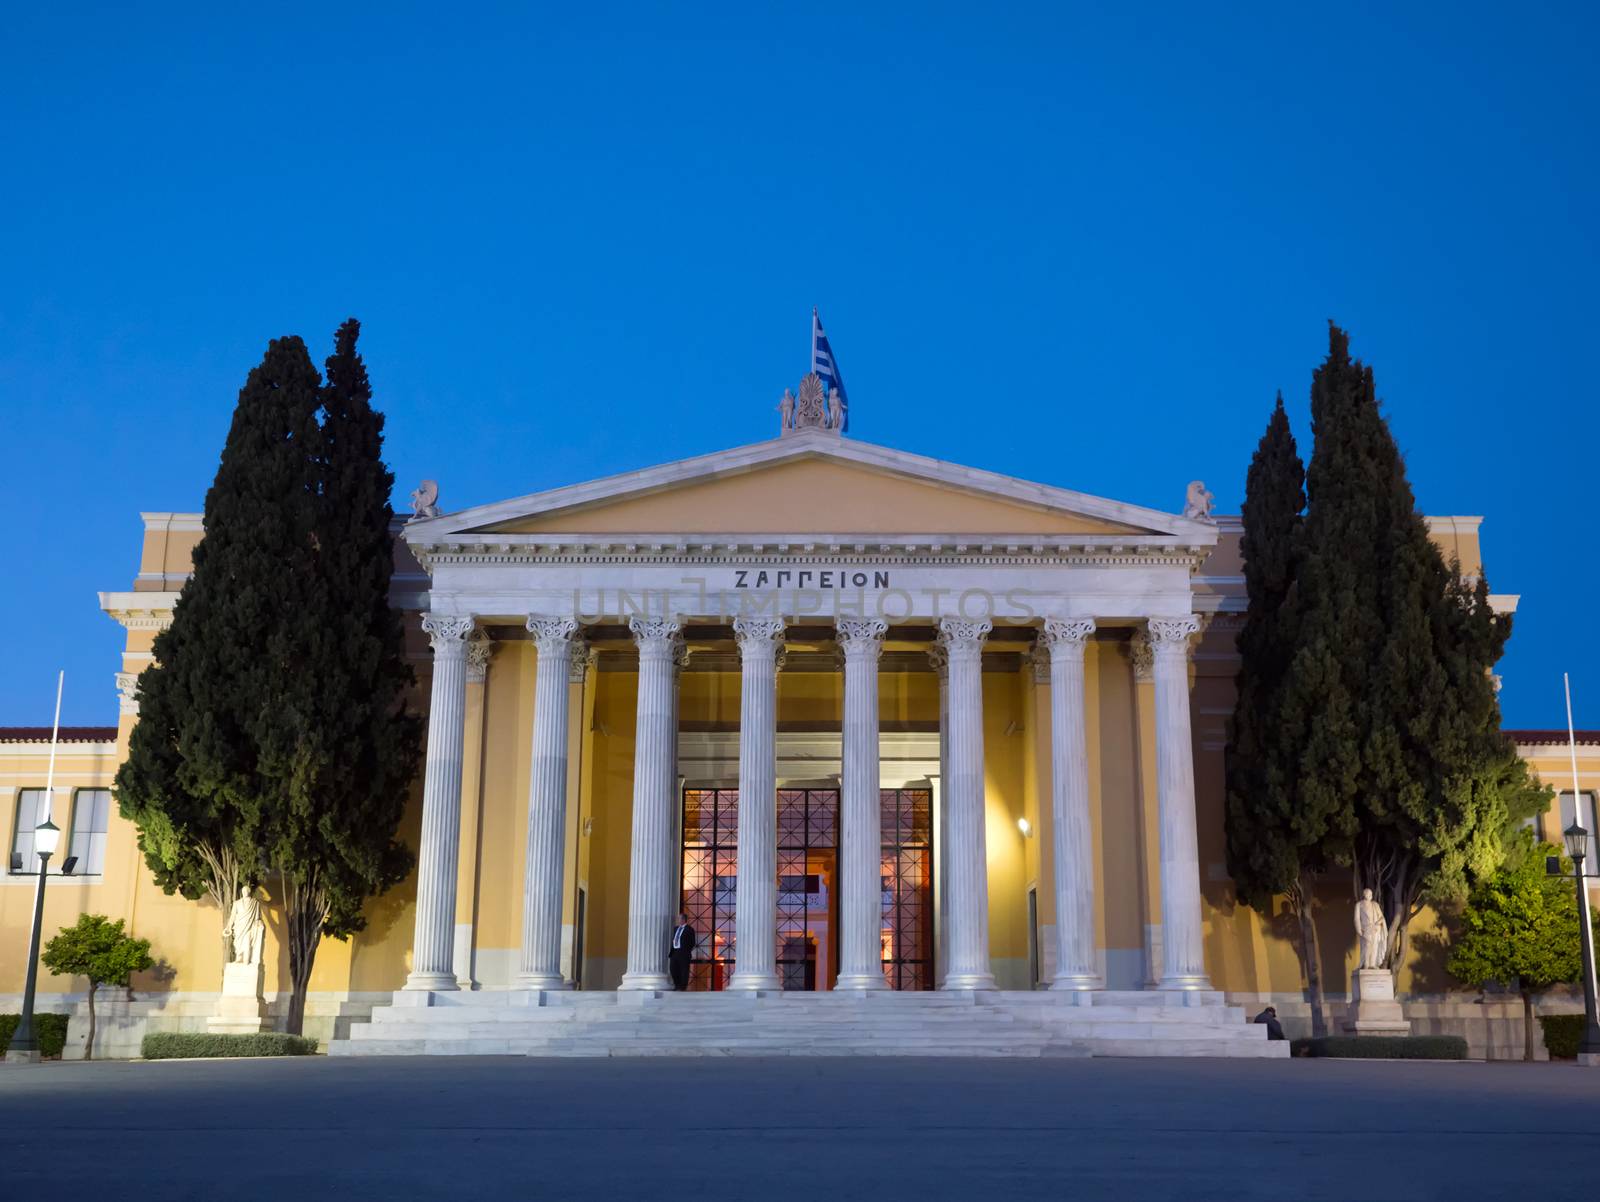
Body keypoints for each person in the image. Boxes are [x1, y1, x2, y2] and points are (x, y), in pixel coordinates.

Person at [668, 912, 696, 991]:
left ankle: (682, 987)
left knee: (683, 970)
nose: (678, 920)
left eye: (679, 918)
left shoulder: (689, 929)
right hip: (674, 952)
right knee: (673, 969)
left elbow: (692, 942)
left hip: (684, 953)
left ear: (683, 919)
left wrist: (686, 950)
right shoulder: (676, 928)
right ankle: (677, 985)